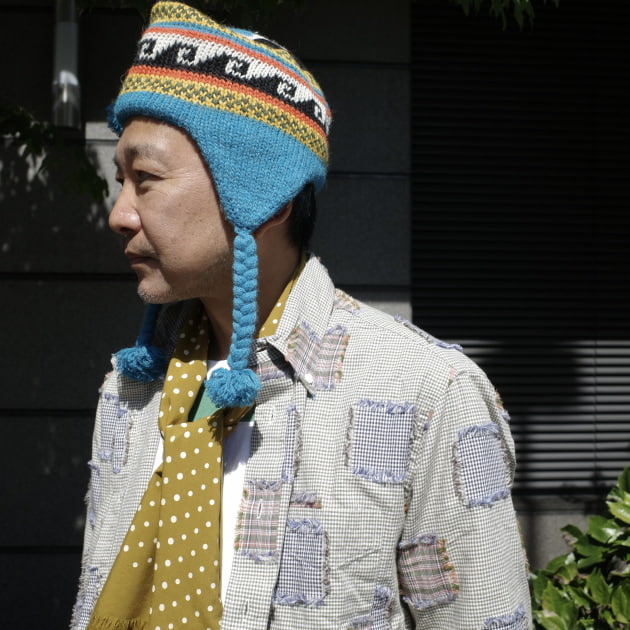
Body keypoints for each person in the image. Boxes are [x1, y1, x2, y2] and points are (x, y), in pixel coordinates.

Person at [71, 2, 532, 629]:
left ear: (267, 200)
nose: (120, 214)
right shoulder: (130, 388)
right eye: (121, 179)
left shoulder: (426, 391)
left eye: (146, 178)